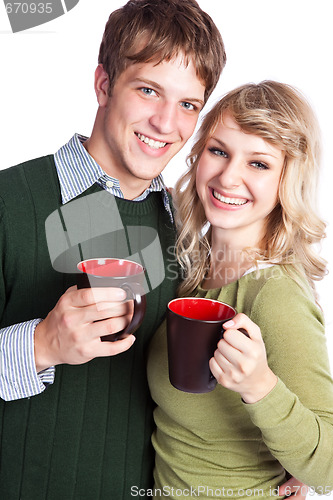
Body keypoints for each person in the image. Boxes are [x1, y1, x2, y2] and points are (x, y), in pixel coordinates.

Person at [0, 1, 226, 498]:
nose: (167, 124)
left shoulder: (187, 227)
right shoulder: (10, 202)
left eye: (188, 104)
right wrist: (38, 346)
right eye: (149, 90)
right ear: (104, 84)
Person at [147, 81, 333, 498]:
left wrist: (260, 386)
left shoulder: (275, 294)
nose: (229, 177)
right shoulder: (191, 269)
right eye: (219, 151)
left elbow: (329, 471)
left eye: (259, 164)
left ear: (289, 179)